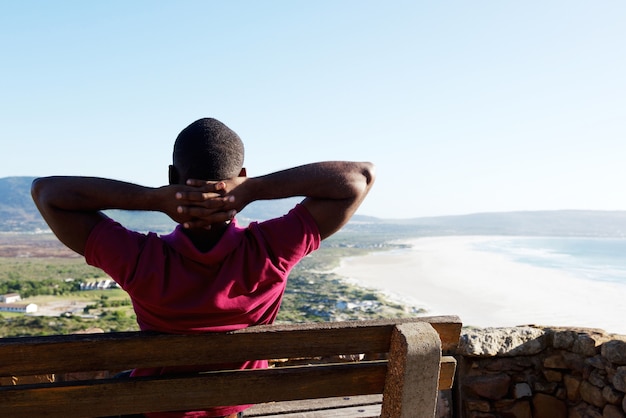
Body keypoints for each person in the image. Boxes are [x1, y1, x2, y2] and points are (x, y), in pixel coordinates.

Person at [31, 117, 375, 418]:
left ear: (171, 177)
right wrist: (254, 189)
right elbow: (359, 177)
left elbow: (47, 192)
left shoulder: (140, 258)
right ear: (240, 176)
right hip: (234, 404)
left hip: (156, 409)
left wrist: (153, 199)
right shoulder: (272, 250)